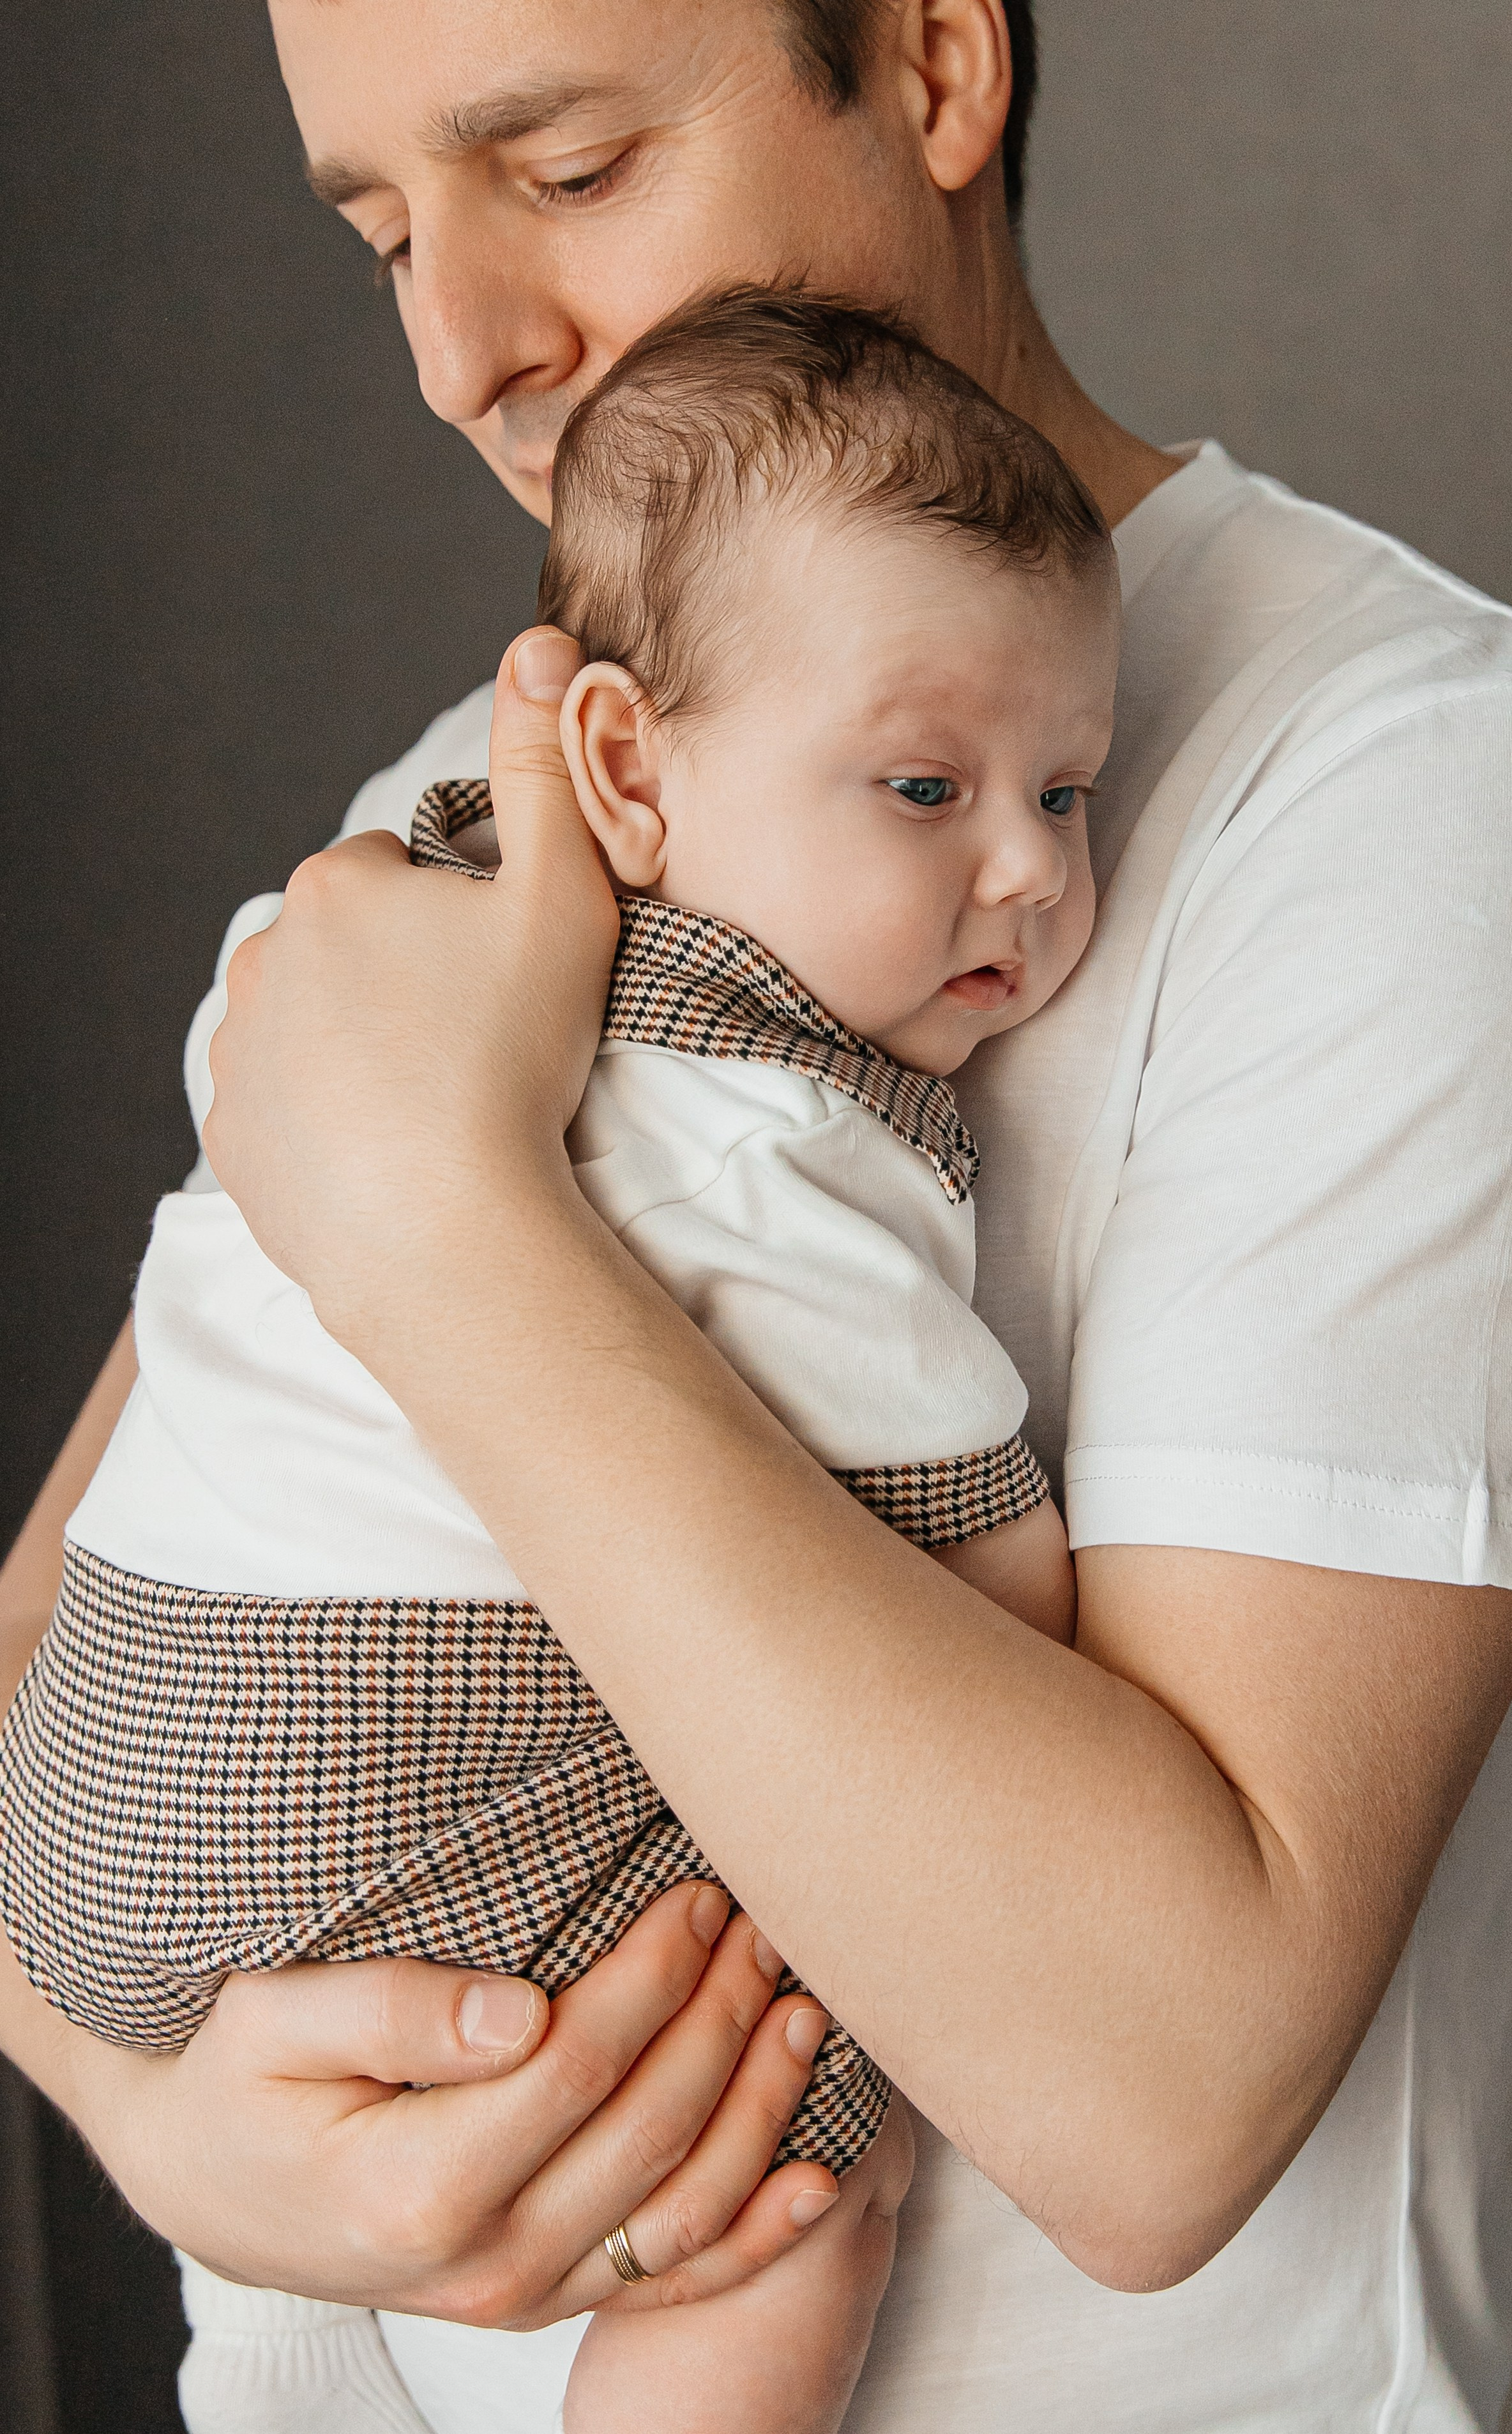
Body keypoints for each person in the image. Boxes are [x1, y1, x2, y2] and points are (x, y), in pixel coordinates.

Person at [1, 2, 1509, 2429]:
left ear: (928, 62)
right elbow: (56, 1623)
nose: (461, 345)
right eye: (385, 229)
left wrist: (444, 1224)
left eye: (571, 170)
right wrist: (169, 2118)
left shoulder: (1396, 787)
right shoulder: (486, 789)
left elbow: (1158, 2095)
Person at [1, 287, 1112, 2431]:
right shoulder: (785, 1116)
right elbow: (977, 1559)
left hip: (81, 1794)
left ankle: (279, 2371)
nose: (1030, 871)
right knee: (805, 2133)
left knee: (290, 2203)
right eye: (924, 782)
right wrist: (1033, 1616)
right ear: (626, 760)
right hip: (353, 1774)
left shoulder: (371, 919)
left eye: (1070, 788)